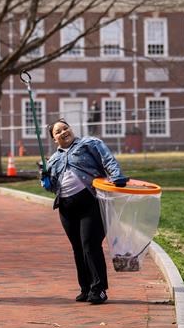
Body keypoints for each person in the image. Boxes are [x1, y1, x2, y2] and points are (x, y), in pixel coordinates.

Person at [40, 118, 128, 305]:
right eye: (58, 132)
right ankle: (86, 288)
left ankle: (99, 289)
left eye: (65, 128)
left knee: (90, 244)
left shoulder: (89, 143)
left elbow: (108, 159)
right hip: (66, 207)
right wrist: (45, 178)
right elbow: (52, 187)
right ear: (54, 139)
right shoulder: (53, 159)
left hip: (90, 202)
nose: (63, 132)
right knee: (78, 247)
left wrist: (117, 177)